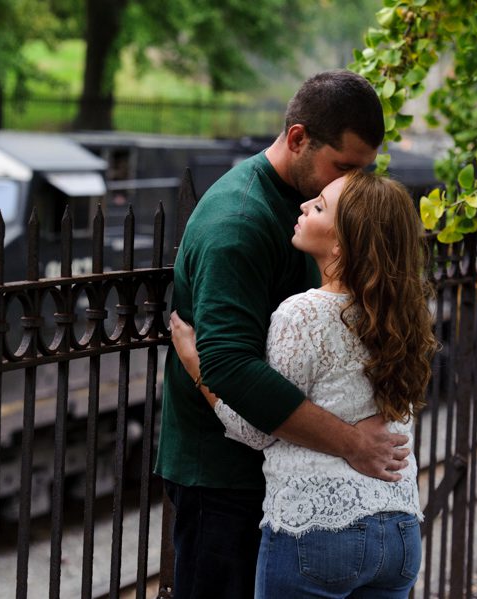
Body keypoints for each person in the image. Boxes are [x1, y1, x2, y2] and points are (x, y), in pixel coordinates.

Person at [154, 70, 410, 599]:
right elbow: (228, 364)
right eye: (342, 167)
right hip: (225, 482)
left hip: (284, 482)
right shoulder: (239, 224)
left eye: (363, 171)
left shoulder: (320, 209)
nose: (351, 186)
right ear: (298, 139)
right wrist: (352, 442)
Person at [171, 170, 437, 597]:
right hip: (399, 529)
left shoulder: (303, 314)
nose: (302, 207)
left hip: (318, 531)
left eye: (318, 206)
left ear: (340, 244)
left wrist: (195, 363)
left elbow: (254, 429)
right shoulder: (407, 314)